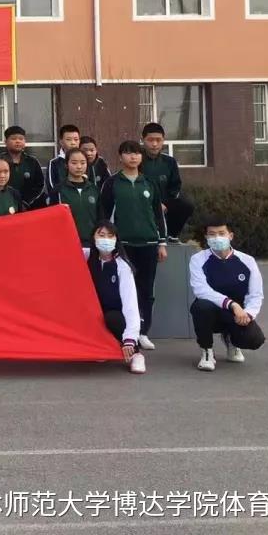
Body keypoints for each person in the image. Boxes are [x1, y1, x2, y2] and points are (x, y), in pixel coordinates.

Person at [99, 140, 167, 352]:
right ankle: (125, 332)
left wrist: (162, 242)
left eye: (137, 153)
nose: (133, 157)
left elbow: (158, 215)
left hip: (148, 244)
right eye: (128, 153)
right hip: (123, 246)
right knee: (125, 290)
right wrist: (107, 243)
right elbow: (104, 215)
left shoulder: (149, 183)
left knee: (146, 289)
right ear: (121, 157)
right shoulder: (111, 183)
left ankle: (143, 332)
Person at [189, 219, 266, 372]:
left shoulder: (247, 261)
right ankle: (207, 351)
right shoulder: (198, 259)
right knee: (201, 306)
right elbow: (201, 290)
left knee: (255, 340)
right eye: (212, 234)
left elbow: (256, 294)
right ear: (206, 237)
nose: (217, 238)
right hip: (212, 312)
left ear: (230, 236)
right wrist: (232, 304)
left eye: (221, 233)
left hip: (237, 315)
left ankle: (232, 341)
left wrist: (248, 314)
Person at [83, 222, 146, 374]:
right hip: (93, 312)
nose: (106, 239)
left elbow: (130, 305)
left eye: (110, 236)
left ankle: (136, 354)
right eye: (101, 235)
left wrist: (130, 338)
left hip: (116, 314)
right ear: (93, 237)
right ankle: (102, 347)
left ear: (116, 239)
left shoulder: (122, 266)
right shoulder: (86, 256)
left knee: (112, 318)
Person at [141, 122, 194, 241]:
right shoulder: (137, 160)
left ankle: (171, 235)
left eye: (158, 140)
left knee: (186, 205)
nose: (154, 144)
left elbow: (175, 187)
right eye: (150, 140)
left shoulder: (170, 162)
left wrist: (165, 204)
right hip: (142, 204)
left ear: (163, 140)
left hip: (164, 204)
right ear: (143, 140)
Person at [48, 148, 102, 246]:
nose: (79, 166)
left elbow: (101, 217)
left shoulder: (94, 189)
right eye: (74, 163)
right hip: (66, 243)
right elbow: (52, 220)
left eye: (83, 163)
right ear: (66, 165)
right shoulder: (58, 190)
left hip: (92, 243)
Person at [0, 126, 45, 210]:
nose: (18, 141)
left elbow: (39, 185)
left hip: (29, 207)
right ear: (5, 142)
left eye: (21, 139)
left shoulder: (32, 162)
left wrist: (26, 202)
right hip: (3, 206)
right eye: (13, 139)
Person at [46, 124, 82, 198]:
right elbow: (51, 186)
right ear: (61, 142)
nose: (73, 143)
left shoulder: (85, 161)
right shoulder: (54, 163)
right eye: (68, 139)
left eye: (76, 139)